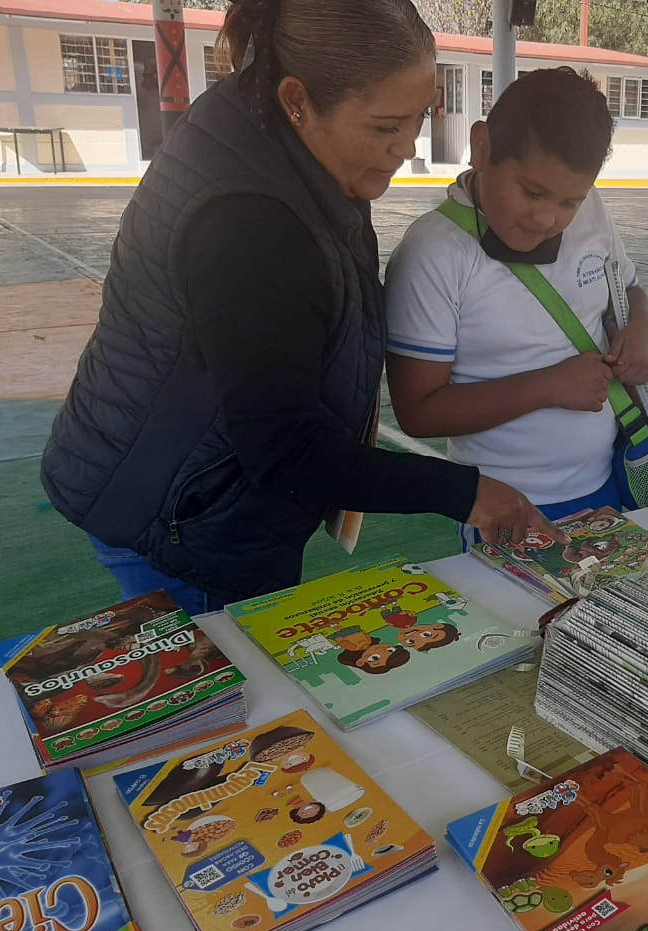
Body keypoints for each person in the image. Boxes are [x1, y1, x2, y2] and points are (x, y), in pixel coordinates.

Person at [39, 0, 558, 617]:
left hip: (196, 479)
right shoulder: (250, 226)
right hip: (183, 511)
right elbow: (283, 447)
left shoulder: (273, 129)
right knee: (237, 690)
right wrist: (467, 492)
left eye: (418, 118)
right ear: (297, 100)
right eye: (385, 127)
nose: (405, 147)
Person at [383, 68, 648, 537]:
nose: (548, 218)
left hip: (610, 484)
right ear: (483, 147)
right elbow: (418, 412)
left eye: (569, 201)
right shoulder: (433, 253)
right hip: (509, 507)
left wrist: (644, 328)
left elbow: (629, 286)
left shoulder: (592, 211)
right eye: (532, 192)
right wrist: (549, 386)